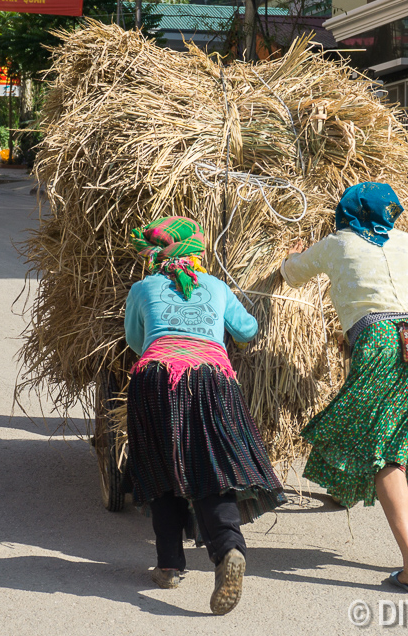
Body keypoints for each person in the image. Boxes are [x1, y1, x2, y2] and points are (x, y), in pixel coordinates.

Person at [280, 182, 408, 593]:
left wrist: (293, 251)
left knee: (383, 450)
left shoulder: (336, 242)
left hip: (382, 341)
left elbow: (291, 275)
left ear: (346, 212)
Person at [124, 216, 286, 615]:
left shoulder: (143, 288)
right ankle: (228, 548)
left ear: (158, 254)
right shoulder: (216, 286)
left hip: (155, 378)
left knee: (161, 467)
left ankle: (168, 565)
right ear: (197, 254)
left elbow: (134, 339)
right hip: (213, 379)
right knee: (212, 469)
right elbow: (247, 331)